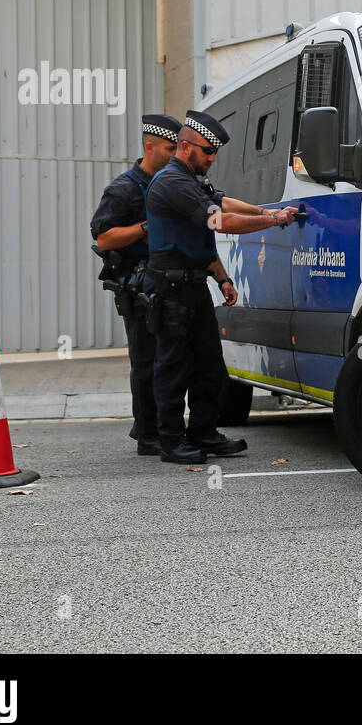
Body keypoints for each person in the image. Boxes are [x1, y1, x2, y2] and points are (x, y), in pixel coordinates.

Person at [143, 111, 302, 464]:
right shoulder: (173, 183)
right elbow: (220, 221)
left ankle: (203, 432)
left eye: (214, 152)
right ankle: (171, 441)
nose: (212, 159)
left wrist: (223, 277)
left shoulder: (193, 180)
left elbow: (223, 206)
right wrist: (272, 220)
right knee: (173, 368)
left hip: (194, 286)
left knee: (210, 365)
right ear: (185, 147)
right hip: (171, 290)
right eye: (207, 151)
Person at [89, 114, 182, 456]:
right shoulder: (124, 188)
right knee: (147, 362)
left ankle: (164, 427)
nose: (176, 155)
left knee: (170, 362)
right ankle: (148, 433)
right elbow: (105, 236)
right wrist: (146, 226)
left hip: (168, 285)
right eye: (170, 148)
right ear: (150, 146)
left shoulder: (171, 183)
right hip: (140, 288)